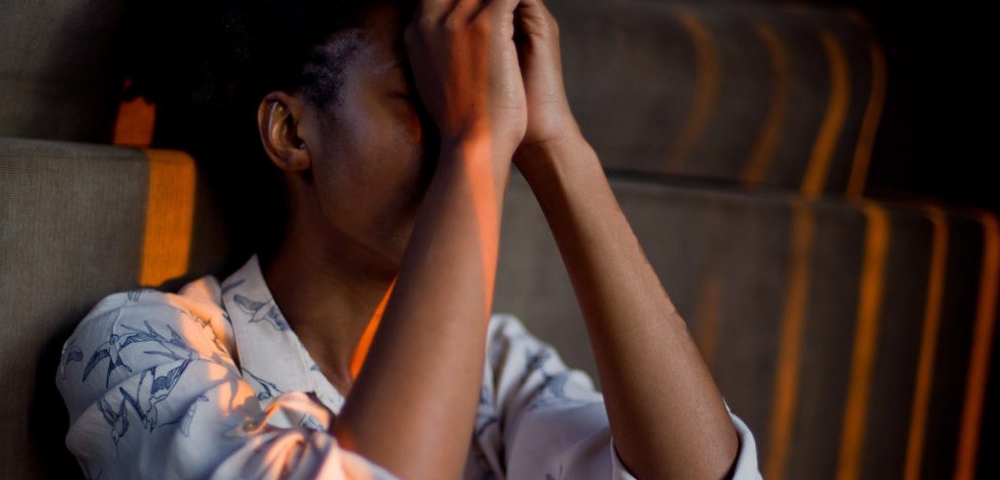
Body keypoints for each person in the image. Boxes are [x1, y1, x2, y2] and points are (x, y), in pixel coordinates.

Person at [55, 0, 762, 478]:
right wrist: (476, 141)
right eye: (426, 97)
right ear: (292, 132)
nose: (470, 122)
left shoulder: (498, 363)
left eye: (484, 101)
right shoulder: (141, 348)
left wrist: (555, 145)